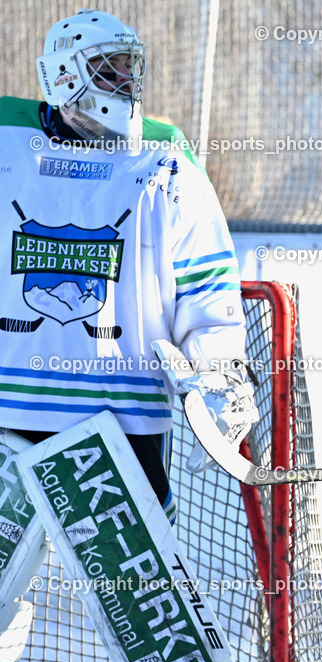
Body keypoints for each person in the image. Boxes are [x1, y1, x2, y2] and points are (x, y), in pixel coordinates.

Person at [0, 9, 255, 523]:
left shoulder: (166, 158)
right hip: (9, 408)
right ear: (64, 75)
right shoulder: (8, 138)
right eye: (108, 67)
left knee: (138, 572)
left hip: (122, 416)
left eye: (129, 65)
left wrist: (219, 373)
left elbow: (206, 286)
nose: (126, 80)